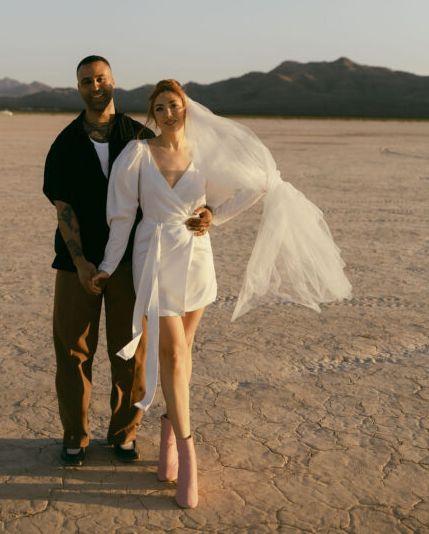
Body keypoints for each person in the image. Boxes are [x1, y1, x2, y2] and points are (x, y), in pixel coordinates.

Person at [93, 79, 351, 508]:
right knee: (174, 353)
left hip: (196, 260)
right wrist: (106, 264)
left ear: (186, 109)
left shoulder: (204, 155)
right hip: (153, 256)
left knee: (185, 352)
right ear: (151, 114)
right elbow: (120, 217)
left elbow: (256, 186)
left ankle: (168, 436)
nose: (168, 113)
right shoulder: (137, 154)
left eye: (174, 105)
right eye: (160, 107)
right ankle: (189, 455)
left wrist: (214, 213)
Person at [43, 55, 153, 467]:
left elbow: (166, 188)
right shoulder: (66, 143)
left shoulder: (140, 136)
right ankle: (75, 436)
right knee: (72, 352)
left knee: (130, 351)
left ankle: (124, 434)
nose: (95, 86)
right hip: (76, 265)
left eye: (101, 78)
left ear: (112, 81)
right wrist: (83, 262)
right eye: (87, 81)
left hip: (128, 264)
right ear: (79, 88)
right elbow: (63, 206)